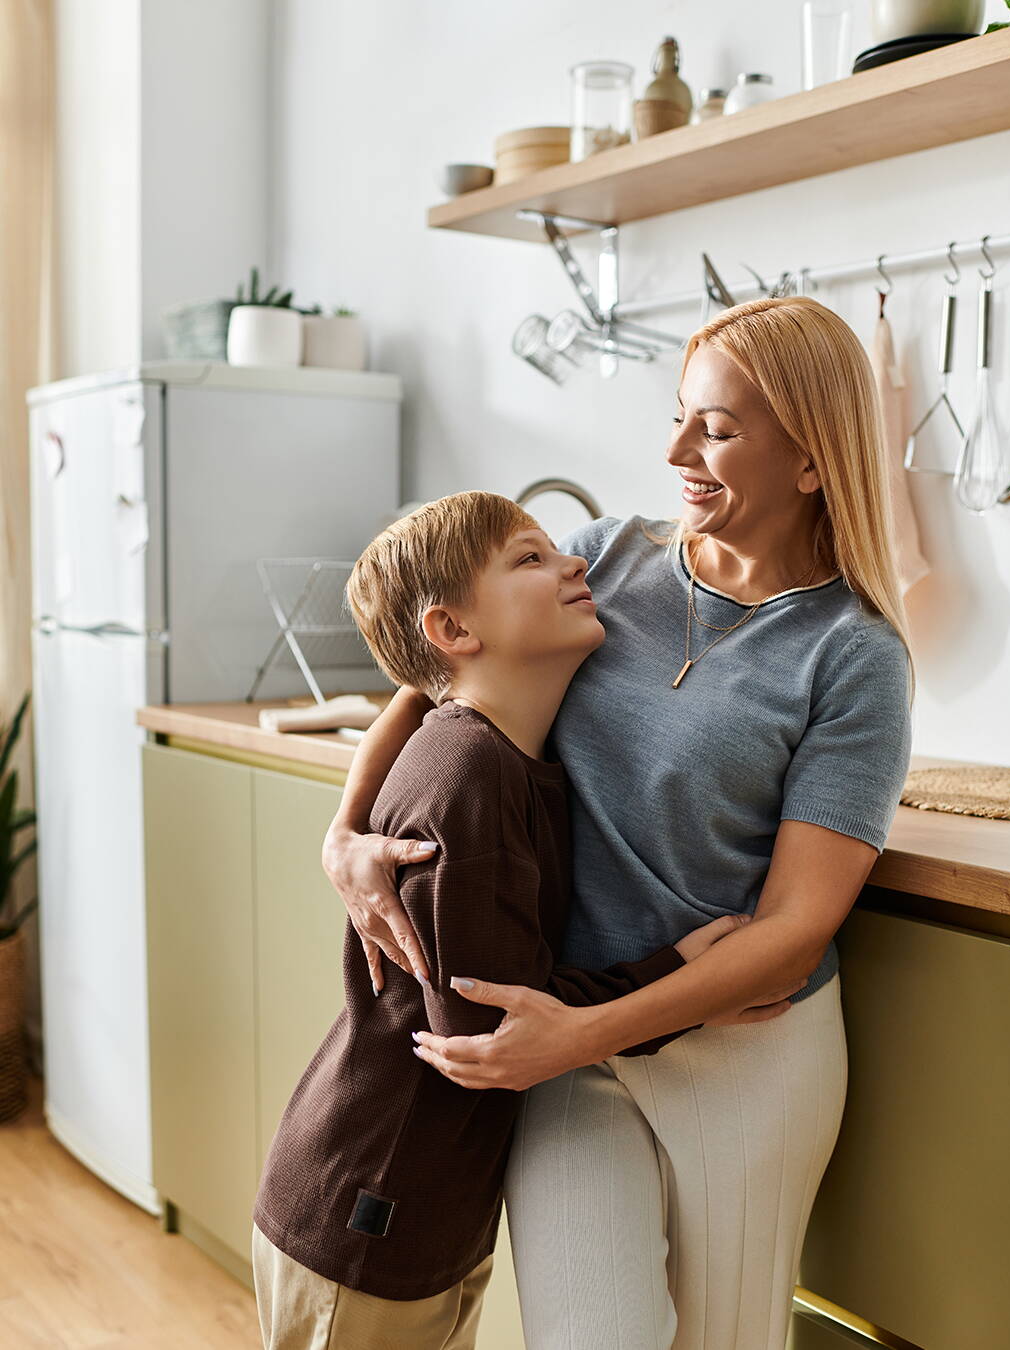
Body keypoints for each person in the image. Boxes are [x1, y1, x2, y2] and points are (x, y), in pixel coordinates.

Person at [320, 295, 916, 1350]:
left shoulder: (853, 656)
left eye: (718, 427)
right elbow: (427, 688)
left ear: (813, 462)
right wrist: (344, 834)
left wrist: (582, 1030)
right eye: (680, 414)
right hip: (566, 1045)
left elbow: (792, 930)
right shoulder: (606, 558)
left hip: (738, 1056)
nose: (676, 447)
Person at [250, 490, 797, 1350]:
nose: (576, 563)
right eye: (530, 559)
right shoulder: (470, 774)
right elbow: (485, 1029)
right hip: (370, 1213)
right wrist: (677, 979)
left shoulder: (498, 757)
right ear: (454, 632)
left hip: (409, 1204)